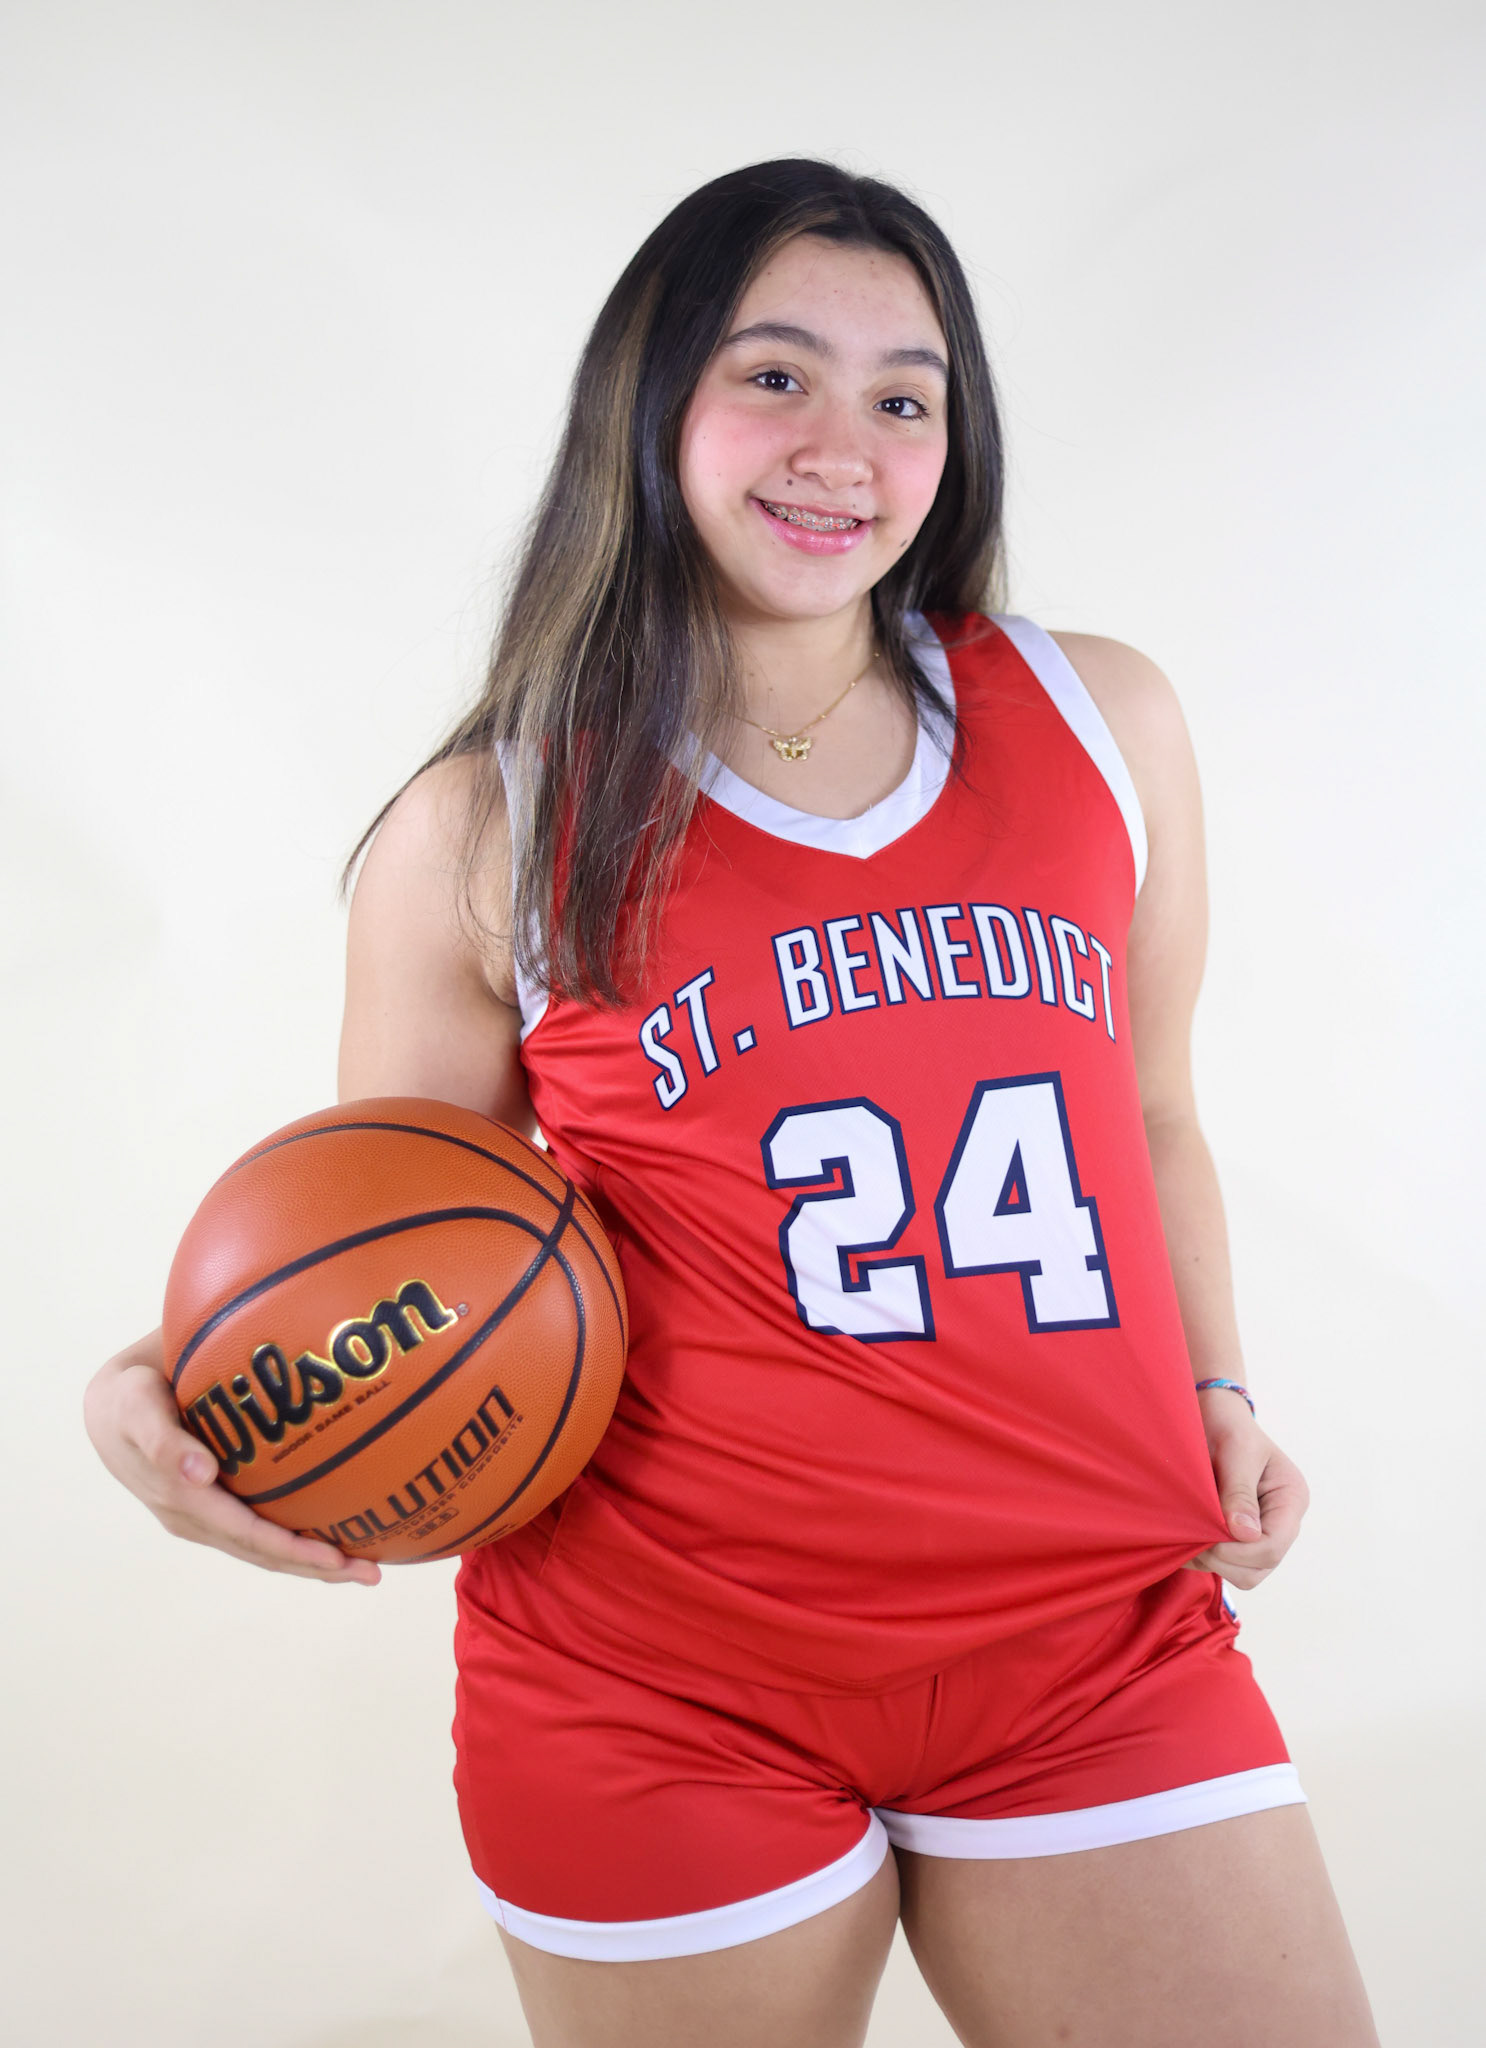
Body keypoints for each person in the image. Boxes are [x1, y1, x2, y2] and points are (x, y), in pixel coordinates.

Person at [84, 160, 1379, 2047]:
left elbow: (1150, 1113)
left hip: (1087, 1636)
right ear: (652, 399)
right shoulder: (490, 826)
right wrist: (174, 1375)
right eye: (774, 375)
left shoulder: (1105, 722)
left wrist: (1218, 1393)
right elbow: (402, 1244)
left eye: (902, 395)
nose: (839, 444)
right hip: (651, 1679)